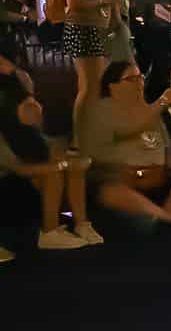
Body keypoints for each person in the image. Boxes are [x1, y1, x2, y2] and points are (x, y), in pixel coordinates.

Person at [82, 62, 171, 226]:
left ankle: (157, 218)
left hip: (158, 182)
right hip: (125, 185)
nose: (139, 82)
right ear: (112, 86)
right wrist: (164, 100)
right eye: (131, 79)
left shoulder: (150, 111)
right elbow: (129, 127)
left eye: (141, 77)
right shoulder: (103, 109)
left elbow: (167, 153)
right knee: (111, 193)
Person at [0, 59, 100, 255]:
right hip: (8, 188)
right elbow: (16, 169)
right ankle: (49, 232)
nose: (36, 109)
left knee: (70, 163)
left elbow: (52, 147)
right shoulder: (4, 135)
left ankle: (81, 224)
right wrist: (60, 165)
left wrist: (68, 160)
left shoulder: (30, 132)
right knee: (55, 169)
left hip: (30, 181)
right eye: (29, 106)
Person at [62, 0, 129, 144]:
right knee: (89, 88)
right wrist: (107, 1)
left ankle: (86, 135)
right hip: (83, 28)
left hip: (94, 28)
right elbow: (73, 2)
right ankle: (80, 138)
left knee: (92, 86)